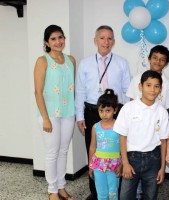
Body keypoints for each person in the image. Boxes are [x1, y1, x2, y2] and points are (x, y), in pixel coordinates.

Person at [75, 25, 131, 200]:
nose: (106, 42)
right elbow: (80, 91)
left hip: (117, 113)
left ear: (113, 41)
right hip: (92, 112)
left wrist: (127, 116)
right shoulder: (85, 63)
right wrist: (80, 116)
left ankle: (117, 190)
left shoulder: (122, 62)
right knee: (93, 150)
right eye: (102, 38)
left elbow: (127, 91)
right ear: (95, 40)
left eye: (109, 38)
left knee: (118, 150)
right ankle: (96, 191)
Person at [126, 45, 169, 199]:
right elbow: (131, 105)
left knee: (150, 181)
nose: (158, 61)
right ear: (149, 59)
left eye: (162, 60)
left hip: (155, 138)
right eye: (155, 58)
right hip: (136, 138)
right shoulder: (137, 79)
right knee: (133, 184)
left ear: (166, 63)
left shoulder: (168, 85)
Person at [34, 25, 76, 200]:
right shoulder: (42, 61)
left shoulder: (71, 60)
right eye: (53, 39)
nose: (58, 42)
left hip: (68, 112)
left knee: (64, 150)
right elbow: (38, 92)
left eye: (60, 37)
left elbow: (72, 88)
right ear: (47, 42)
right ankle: (52, 190)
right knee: (52, 152)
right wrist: (45, 118)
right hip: (49, 114)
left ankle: (61, 186)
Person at [114, 70, 169, 200]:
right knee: (125, 196)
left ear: (160, 89)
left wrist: (162, 168)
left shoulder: (162, 112)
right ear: (140, 86)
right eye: (148, 85)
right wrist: (125, 163)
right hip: (132, 159)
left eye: (156, 86)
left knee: (150, 196)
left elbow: (163, 141)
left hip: (153, 160)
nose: (152, 90)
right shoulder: (128, 108)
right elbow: (122, 137)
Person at [88, 89, 122, 200]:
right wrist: (91, 166)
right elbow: (92, 147)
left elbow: (124, 147)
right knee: (101, 193)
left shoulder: (120, 127)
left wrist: (122, 164)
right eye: (101, 111)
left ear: (115, 110)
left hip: (114, 165)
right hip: (98, 165)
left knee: (113, 193)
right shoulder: (95, 127)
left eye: (108, 110)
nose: (104, 114)